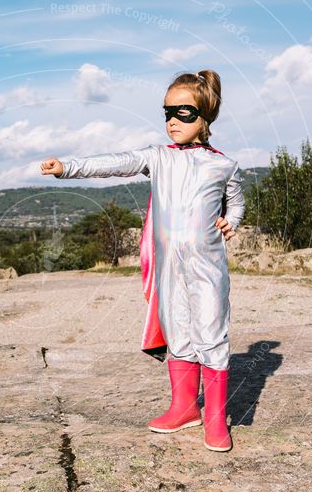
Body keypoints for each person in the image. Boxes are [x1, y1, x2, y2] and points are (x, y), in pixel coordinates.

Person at [40, 70, 245, 452]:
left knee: (211, 331)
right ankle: (184, 406)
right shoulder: (157, 157)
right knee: (178, 330)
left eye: (183, 112)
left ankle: (216, 419)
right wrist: (67, 167)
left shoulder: (224, 164)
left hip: (207, 265)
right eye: (167, 111)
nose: (172, 120)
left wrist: (230, 221)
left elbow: (236, 202)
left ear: (205, 116)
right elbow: (115, 162)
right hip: (169, 267)